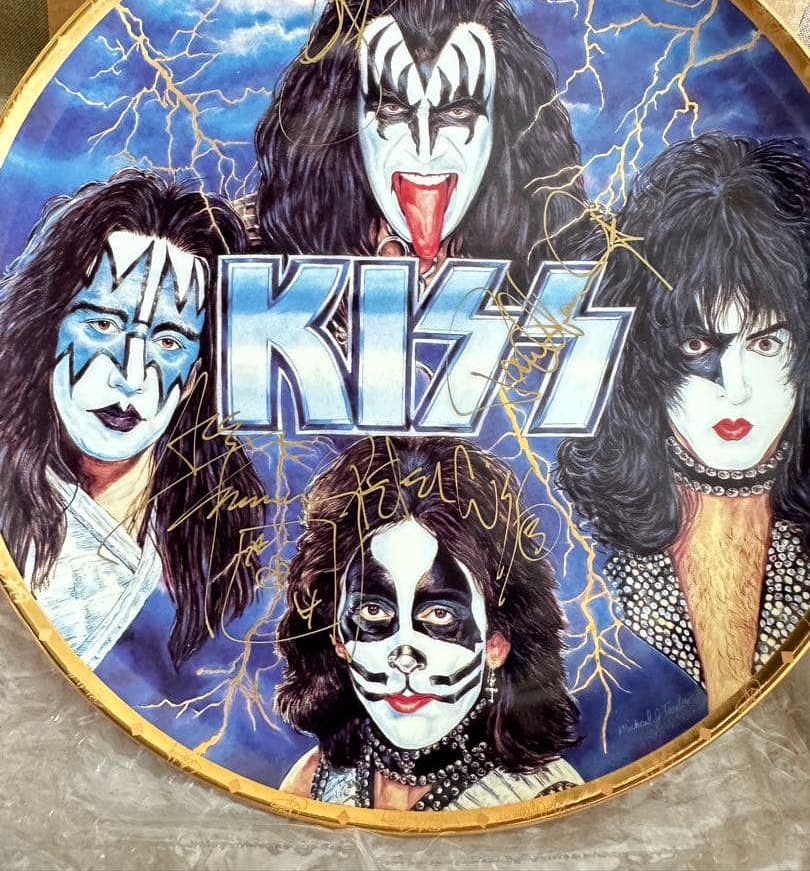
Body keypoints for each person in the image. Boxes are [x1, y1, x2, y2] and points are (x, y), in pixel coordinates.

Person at [556, 132, 810, 710]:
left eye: (766, 343)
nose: (736, 390)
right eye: (699, 345)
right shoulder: (582, 546)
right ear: (642, 352)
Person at [253, 0, 591, 294]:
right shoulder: (271, 263)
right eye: (393, 109)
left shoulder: (555, 261)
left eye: (458, 112)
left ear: (502, 122)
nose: (425, 148)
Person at [0, 169, 267, 670]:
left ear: (196, 375)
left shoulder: (213, 556)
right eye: (103, 324)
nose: (130, 373)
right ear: (47, 329)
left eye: (169, 341)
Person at [275, 436, 582, 810]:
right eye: (373, 611)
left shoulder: (545, 799)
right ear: (336, 635)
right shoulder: (313, 780)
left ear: (497, 643)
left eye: (441, 614)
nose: (404, 657)